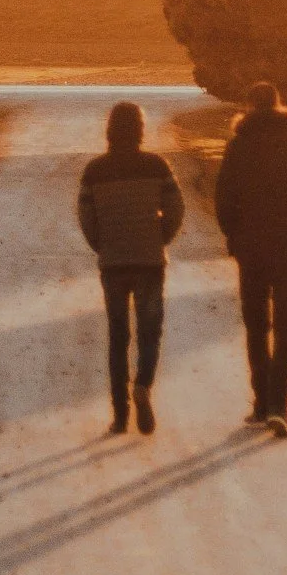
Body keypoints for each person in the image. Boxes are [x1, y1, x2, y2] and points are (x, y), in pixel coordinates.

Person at [213, 81, 287, 439]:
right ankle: (280, 407)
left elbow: (223, 200)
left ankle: (261, 403)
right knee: (286, 326)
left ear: (250, 107)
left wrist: (234, 236)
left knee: (256, 325)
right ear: (280, 106)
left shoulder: (238, 147)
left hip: (252, 248)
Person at [76, 101, 185, 435]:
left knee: (118, 336)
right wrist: (160, 238)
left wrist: (102, 244)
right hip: (150, 260)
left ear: (109, 129)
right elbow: (176, 208)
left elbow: (86, 217)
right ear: (141, 129)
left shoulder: (94, 170)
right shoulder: (157, 166)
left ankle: (120, 415)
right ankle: (143, 386)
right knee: (150, 331)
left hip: (113, 262)